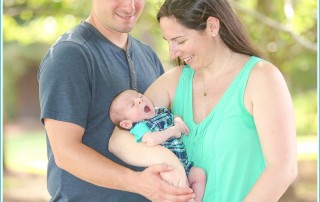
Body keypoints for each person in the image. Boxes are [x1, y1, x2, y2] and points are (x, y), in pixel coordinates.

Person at [109, 0, 298, 201]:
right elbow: (118, 140)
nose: (173, 52)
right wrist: (168, 160)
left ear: (212, 27)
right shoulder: (174, 81)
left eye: (180, 41)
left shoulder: (261, 77)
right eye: (168, 41)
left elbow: (282, 169)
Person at [37, 0, 196, 201]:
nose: (129, 6)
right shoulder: (69, 55)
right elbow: (66, 152)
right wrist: (140, 184)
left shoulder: (147, 55)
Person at [109, 89, 206, 202]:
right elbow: (150, 140)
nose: (139, 100)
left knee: (199, 174)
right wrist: (173, 130)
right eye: (132, 105)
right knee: (180, 189)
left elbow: (174, 116)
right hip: (166, 170)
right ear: (126, 123)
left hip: (183, 163)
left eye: (140, 96)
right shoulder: (139, 126)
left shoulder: (160, 111)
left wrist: (178, 121)